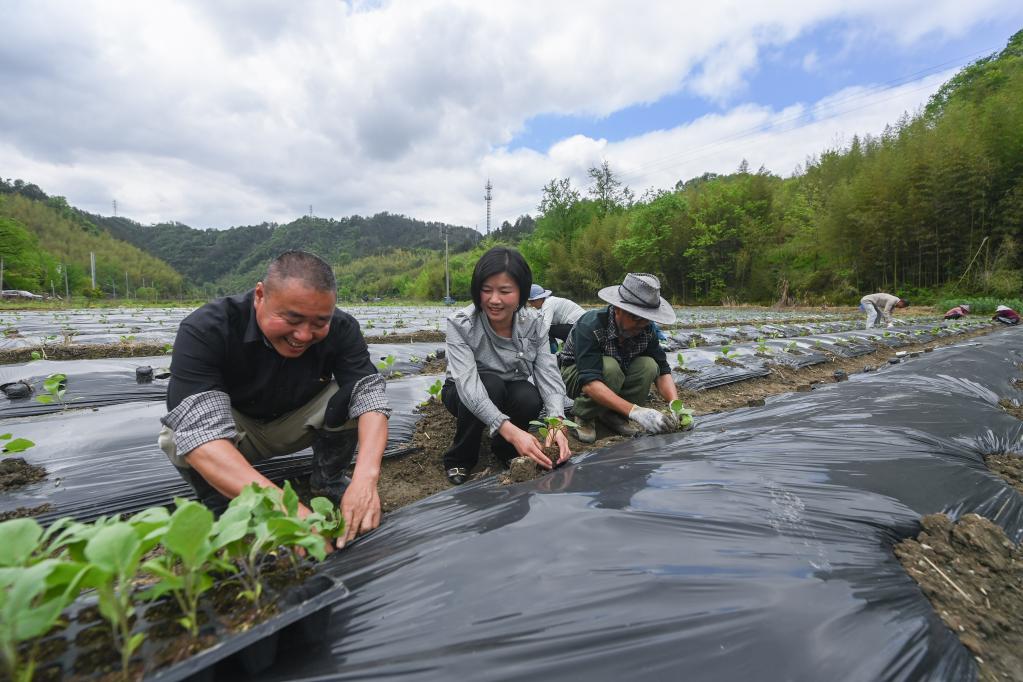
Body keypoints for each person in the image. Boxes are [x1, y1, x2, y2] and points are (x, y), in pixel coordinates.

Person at [159, 250, 389, 548]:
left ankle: (328, 479)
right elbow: (202, 434)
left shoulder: (343, 328)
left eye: (319, 322)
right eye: (292, 318)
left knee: (356, 395)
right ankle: (221, 502)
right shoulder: (207, 328)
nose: (304, 335)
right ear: (260, 295)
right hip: (233, 431)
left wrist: (365, 480)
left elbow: (370, 397)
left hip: (293, 423)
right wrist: (289, 512)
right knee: (178, 435)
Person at [442, 247, 573, 485]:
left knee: (528, 395)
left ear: (522, 293)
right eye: (486, 290)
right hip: (463, 392)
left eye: (504, 291)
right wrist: (508, 429)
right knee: (490, 385)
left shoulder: (534, 323)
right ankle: (460, 458)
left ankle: (505, 449)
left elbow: (548, 373)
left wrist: (556, 422)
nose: (494, 300)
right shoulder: (462, 324)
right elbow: (468, 386)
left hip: (510, 387)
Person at [560, 272, 680, 443]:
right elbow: (590, 383)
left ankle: (614, 415)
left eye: (646, 319)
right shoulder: (591, 325)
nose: (642, 324)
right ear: (618, 309)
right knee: (610, 367)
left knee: (649, 366)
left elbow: (663, 371)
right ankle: (584, 415)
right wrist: (636, 411)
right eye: (636, 318)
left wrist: (676, 406)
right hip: (577, 375)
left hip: (617, 372)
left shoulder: (646, 330)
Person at [526, 283, 585, 352]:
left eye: (531, 301)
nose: (531, 305)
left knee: (547, 330)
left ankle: (553, 352)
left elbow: (545, 327)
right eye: (529, 302)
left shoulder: (548, 303)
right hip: (579, 325)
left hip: (579, 327)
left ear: (539, 299)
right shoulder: (548, 302)